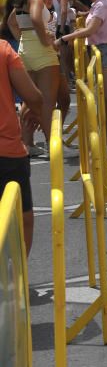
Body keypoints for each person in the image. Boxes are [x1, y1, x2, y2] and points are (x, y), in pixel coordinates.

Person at [55, 0, 107, 157]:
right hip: (103, 51)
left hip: (104, 52)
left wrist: (63, 38)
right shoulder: (102, 3)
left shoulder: (102, 4)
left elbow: (91, 29)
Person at [0, 36, 42, 255]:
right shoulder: (4, 50)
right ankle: (17, 281)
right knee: (23, 218)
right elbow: (33, 95)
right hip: (6, 152)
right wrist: (35, 110)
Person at [12, 0, 59, 157]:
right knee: (47, 101)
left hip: (25, 50)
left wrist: (24, 39)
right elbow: (36, 18)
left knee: (29, 100)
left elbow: (11, 23)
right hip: (42, 52)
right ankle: (51, 145)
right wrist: (44, 38)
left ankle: (27, 142)